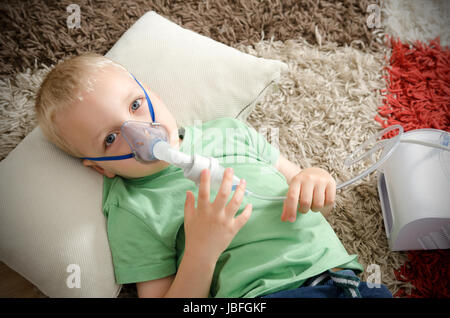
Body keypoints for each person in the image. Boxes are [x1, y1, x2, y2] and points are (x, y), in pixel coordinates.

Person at [34, 53, 392, 298]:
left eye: (136, 105)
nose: (140, 132)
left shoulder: (228, 131)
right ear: (99, 167)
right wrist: (202, 250)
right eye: (110, 138)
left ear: (153, 94)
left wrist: (314, 178)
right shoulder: (133, 208)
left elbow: (309, 192)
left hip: (348, 279)